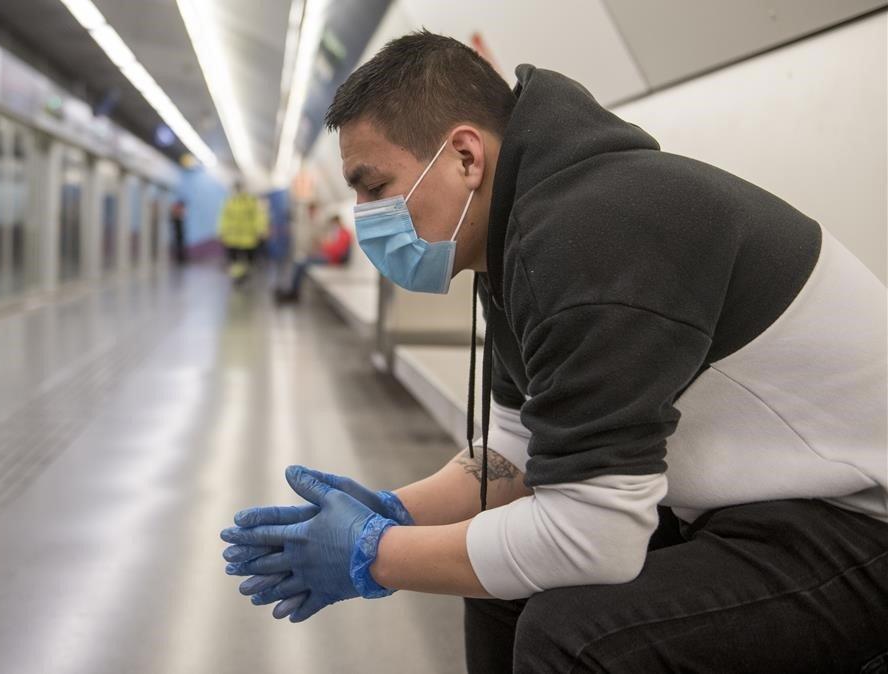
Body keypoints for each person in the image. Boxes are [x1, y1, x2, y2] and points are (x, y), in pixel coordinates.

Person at [219, 31, 888, 673]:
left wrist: (376, 555)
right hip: (755, 508)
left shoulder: (595, 235)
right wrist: (394, 511)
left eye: (373, 186)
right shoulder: (517, 242)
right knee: (499, 581)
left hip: (856, 520)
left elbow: (593, 536)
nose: (362, 214)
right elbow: (515, 456)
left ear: (464, 156)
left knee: (576, 640)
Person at [274, 214, 352, 303]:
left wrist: (325, 246)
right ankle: (292, 290)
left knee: (300, 264)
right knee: (301, 260)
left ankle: (294, 292)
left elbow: (337, 251)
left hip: (332, 260)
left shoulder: (344, 233)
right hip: (327, 257)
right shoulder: (338, 233)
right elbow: (332, 248)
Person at [217, 182, 268, 284]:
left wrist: (261, 230)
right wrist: (221, 231)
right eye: (236, 189)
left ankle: (245, 274)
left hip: (248, 237)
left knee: (248, 259)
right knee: (234, 260)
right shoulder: (229, 202)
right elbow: (223, 217)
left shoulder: (252, 201)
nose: (238, 191)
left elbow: (258, 216)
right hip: (233, 238)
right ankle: (237, 276)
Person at [170, 200, 187, 265]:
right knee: (179, 245)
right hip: (178, 233)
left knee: (180, 245)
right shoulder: (176, 215)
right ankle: (179, 258)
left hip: (180, 233)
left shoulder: (180, 215)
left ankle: (181, 258)